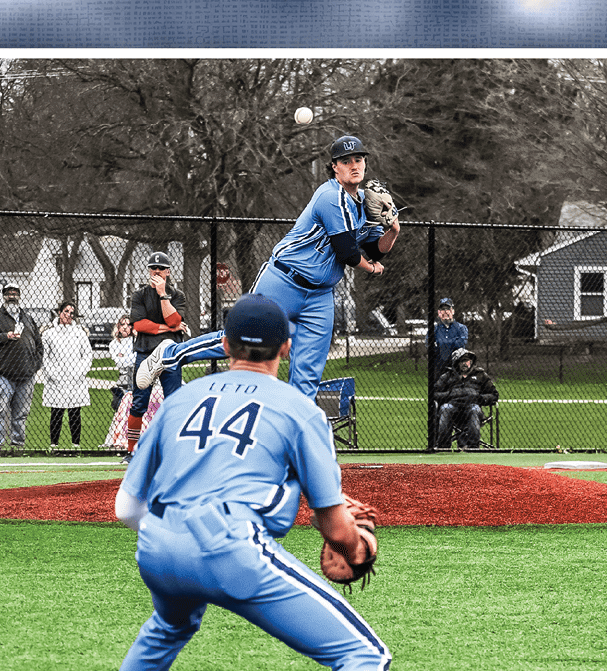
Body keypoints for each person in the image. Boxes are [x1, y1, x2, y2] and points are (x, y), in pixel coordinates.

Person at [79, 295, 490, 671]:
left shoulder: (181, 399)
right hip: (230, 548)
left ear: (224, 345)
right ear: (288, 348)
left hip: (157, 547)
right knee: (363, 654)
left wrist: (182, 535)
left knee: (169, 625)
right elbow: (335, 527)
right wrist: (358, 548)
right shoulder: (299, 408)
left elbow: (124, 508)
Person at [134, 135, 400, 402]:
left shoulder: (364, 203)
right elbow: (349, 253)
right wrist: (373, 269)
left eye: (358, 159)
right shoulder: (330, 196)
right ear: (334, 167)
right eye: (346, 161)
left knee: (307, 375)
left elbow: (377, 248)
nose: (354, 165)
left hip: (320, 296)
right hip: (283, 281)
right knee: (239, 339)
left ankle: (291, 433)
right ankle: (170, 354)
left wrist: (393, 230)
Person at [125, 252, 189, 454]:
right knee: (139, 403)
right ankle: (131, 450)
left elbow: (173, 320)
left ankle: (173, 449)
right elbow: (140, 325)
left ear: (168, 272)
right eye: (153, 267)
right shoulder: (139, 294)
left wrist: (163, 294)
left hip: (170, 353)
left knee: (172, 402)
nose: (156, 271)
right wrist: (170, 329)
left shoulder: (177, 295)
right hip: (146, 351)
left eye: (161, 268)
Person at [0, 282, 43, 451]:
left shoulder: (27, 318)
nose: (12, 295)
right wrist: (5, 336)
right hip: (2, 373)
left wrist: (35, 365)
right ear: (3, 295)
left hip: (26, 374)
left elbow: (38, 344)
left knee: (21, 413)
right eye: (8, 293)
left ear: (19, 295)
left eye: (15, 292)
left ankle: (17, 445)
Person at [40, 301, 93, 449]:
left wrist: (79, 372)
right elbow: (44, 356)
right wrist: (52, 374)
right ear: (59, 312)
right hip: (56, 379)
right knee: (56, 411)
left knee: (75, 412)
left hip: (75, 379)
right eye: (66, 311)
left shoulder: (79, 333)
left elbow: (87, 355)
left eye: (72, 313)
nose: (69, 315)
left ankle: (76, 444)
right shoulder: (49, 334)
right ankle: (54, 444)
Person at [433, 347, 498, 451]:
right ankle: (443, 447)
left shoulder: (480, 375)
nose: (465, 364)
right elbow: (434, 394)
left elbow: (494, 395)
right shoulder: (448, 376)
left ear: (471, 361)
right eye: (461, 361)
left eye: (467, 361)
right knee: (445, 408)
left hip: (472, 407)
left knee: (474, 409)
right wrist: (450, 395)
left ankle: (473, 447)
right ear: (456, 363)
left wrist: (479, 397)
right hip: (453, 407)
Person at [430, 296, 468, 386]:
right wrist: (452, 341)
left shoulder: (461, 328)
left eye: (448, 309)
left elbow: (461, 344)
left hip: (456, 365)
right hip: (438, 366)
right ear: (439, 312)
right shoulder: (434, 329)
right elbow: (429, 345)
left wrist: (440, 343)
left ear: (453, 311)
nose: (445, 312)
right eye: (442, 310)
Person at [108, 314, 134, 414]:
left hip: (136, 377)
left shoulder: (135, 340)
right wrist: (130, 358)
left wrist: (123, 357)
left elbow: (135, 359)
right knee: (120, 407)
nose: (125, 327)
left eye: (128, 325)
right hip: (123, 379)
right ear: (118, 327)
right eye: (122, 324)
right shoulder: (113, 344)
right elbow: (120, 363)